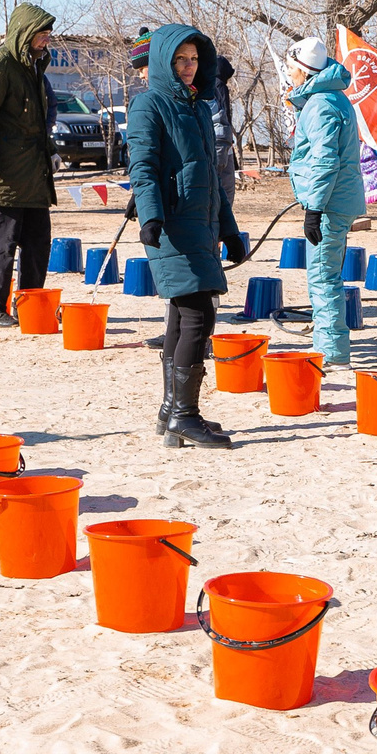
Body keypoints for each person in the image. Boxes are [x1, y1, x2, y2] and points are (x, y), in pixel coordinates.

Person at [129, 25, 252, 448]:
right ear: (163, 61)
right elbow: (142, 167)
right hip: (170, 225)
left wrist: (231, 230)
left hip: (203, 224)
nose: (188, 67)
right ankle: (185, 414)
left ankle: (170, 411)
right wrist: (150, 218)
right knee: (199, 316)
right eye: (180, 59)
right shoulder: (149, 104)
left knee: (183, 317)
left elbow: (212, 180)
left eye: (194, 59)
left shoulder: (200, 107)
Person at [0, 3, 59, 325]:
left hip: (35, 173)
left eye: (48, 34)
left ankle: (30, 304)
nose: (47, 40)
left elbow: (35, 120)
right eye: (41, 34)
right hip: (5, 176)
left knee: (37, 246)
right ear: (24, 34)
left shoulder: (33, 65)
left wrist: (51, 150)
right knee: (2, 247)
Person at [285, 35, 363, 374]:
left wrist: (314, 208)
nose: (288, 75)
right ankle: (330, 345)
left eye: (290, 69)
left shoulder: (321, 105)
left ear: (303, 71)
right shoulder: (330, 98)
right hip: (336, 200)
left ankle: (332, 354)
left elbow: (324, 162)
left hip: (329, 203)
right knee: (327, 273)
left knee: (322, 277)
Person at [209, 55, 240, 202]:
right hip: (220, 146)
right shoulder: (219, 86)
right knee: (224, 195)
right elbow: (224, 118)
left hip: (221, 142)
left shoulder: (210, 84)